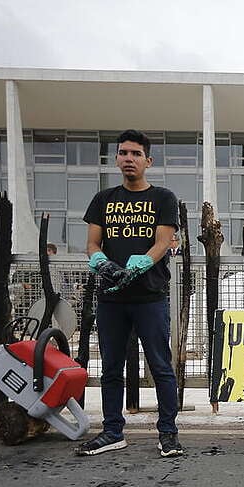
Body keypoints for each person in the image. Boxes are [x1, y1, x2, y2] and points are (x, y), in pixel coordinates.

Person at [80, 129, 184, 458]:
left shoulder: (163, 198)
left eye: (136, 154)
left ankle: (168, 433)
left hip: (150, 296)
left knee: (161, 366)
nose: (129, 158)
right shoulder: (103, 200)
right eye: (124, 153)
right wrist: (99, 261)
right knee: (111, 367)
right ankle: (113, 431)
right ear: (116, 159)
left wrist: (142, 263)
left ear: (148, 161)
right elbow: (93, 243)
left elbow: (163, 241)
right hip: (111, 298)